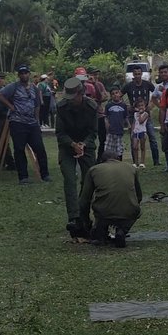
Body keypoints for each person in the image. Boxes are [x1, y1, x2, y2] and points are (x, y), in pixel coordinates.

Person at [55, 76, 99, 234]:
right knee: (69, 178)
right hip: (67, 146)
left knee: (88, 181)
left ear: (82, 94)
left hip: (86, 145)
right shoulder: (61, 107)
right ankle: (73, 217)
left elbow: (94, 132)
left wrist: (83, 144)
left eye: (74, 97)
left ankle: (84, 215)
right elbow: (60, 133)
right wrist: (72, 144)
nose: (71, 101)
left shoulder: (92, 107)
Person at [0, 65, 51, 184]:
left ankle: (45, 174)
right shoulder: (14, 87)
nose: (24, 75)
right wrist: (10, 106)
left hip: (32, 123)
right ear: (19, 75)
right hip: (18, 122)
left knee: (40, 148)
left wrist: (37, 121)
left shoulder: (35, 88)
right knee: (19, 149)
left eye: (26, 73)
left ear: (29, 74)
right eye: (21, 73)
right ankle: (23, 177)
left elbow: (37, 105)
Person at [79, 149, 142, 247]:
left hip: (103, 212)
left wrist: (86, 223)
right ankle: (122, 231)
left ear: (102, 160)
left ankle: (101, 233)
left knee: (102, 220)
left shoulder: (94, 170)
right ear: (118, 159)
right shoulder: (131, 168)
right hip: (129, 211)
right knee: (135, 210)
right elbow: (139, 196)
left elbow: (84, 200)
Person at [123, 65, 158, 166]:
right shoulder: (129, 86)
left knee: (152, 137)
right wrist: (127, 106)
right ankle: (135, 162)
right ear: (133, 74)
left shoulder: (147, 84)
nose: (137, 76)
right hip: (133, 115)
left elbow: (156, 94)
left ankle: (156, 161)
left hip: (146, 114)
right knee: (133, 138)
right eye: (136, 74)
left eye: (139, 74)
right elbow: (119, 95)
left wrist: (151, 105)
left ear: (141, 74)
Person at [131, 100, 150, 168]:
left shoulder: (146, 114)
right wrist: (132, 131)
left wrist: (139, 114)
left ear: (145, 106)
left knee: (142, 147)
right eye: (139, 106)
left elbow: (141, 121)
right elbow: (134, 123)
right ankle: (136, 162)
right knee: (135, 147)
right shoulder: (135, 114)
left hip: (142, 131)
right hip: (136, 132)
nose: (140, 107)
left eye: (142, 105)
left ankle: (142, 162)